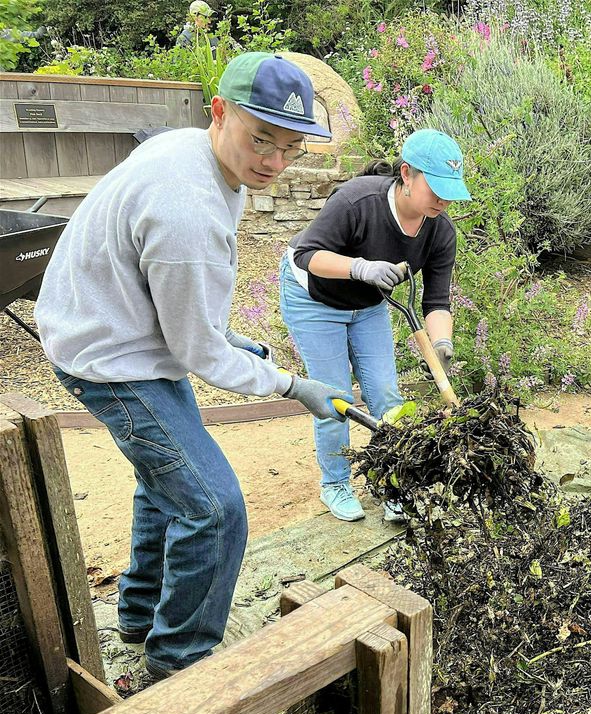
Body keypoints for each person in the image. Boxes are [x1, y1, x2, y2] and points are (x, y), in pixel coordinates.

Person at [35, 53, 349, 682]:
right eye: (261, 139)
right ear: (219, 112)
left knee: (166, 482)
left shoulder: (197, 156)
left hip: (126, 323)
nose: (273, 162)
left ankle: (139, 613)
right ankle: (179, 660)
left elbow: (181, 308)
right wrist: (292, 385)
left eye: (290, 148)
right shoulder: (187, 208)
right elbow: (196, 355)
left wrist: (225, 334)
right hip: (112, 356)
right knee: (214, 508)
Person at [281, 129, 469, 523]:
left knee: (387, 396)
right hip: (314, 298)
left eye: (450, 190)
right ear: (406, 174)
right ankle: (335, 483)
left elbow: (436, 301)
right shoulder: (357, 200)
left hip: (368, 307)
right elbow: (305, 255)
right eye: (435, 188)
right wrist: (360, 267)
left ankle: (392, 484)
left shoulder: (440, 231)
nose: (443, 200)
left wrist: (442, 342)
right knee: (335, 397)